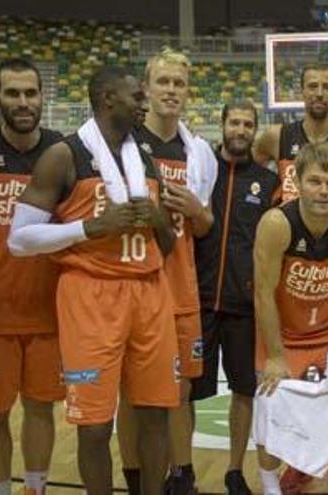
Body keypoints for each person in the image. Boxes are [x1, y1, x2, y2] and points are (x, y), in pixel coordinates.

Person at [8, 66, 178, 495]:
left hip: (150, 291)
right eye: (136, 95)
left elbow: (168, 246)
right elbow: (19, 239)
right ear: (107, 99)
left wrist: (160, 222)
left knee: (157, 414)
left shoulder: (144, 157)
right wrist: (89, 228)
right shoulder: (65, 155)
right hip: (91, 296)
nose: (145, 102)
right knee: (95, 425)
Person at [117, 47, 216, 495]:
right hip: (133, 287)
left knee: (180, 392)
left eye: (179, 83)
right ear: (146, 87)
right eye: (163, 82)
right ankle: (136, 480)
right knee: (132, 397)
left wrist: (197, 210)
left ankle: (183, 475)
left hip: (180, 287)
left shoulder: (198, 152)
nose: (171, 90)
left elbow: (206, 223)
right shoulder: (123, 143)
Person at [254, 142, 328, 495]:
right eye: (315, 181)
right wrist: (275, 356)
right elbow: (263, 294)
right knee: (270, 402)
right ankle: (270, 486)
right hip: (285, 334)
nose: (324, 191)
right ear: (297, 181)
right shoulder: (277, 223)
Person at [0, 58, 64, 495]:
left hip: (49, 310)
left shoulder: (62, 151)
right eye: (13, 93)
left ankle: (35, 488)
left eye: (31, 93)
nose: (23, 102)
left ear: (42, 97)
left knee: (41, 408)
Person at [192, 99, 279, 494]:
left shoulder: (268, 182)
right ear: (222, 124)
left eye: (247, 124)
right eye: (234, 122)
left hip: (245, 306)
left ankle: (232, 469)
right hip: (198, 302)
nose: (240, 130)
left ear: (255, 129)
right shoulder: (202, 170)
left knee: (244, 391)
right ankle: (182, 468)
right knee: (187, 392)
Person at [254, 62, 328, 217]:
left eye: (326, 87)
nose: (319, 93)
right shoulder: (277, 136)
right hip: (288, 235)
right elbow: (247, 172)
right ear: (302, 92)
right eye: (312, 86)